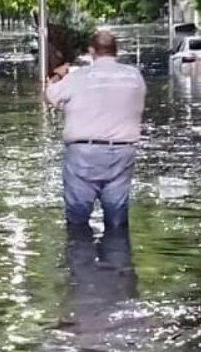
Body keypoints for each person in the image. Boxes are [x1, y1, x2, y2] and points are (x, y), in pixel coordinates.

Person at [45, 30, 146, 228]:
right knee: (117, 221)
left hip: (83, 154)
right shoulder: (135, 77)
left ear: (92, 51)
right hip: (123, 153)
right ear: (116, 51)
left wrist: (57, 77)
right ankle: (117, 256)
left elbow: (50, 97)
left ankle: (80, 255)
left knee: (77, 221)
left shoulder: (78, 77)